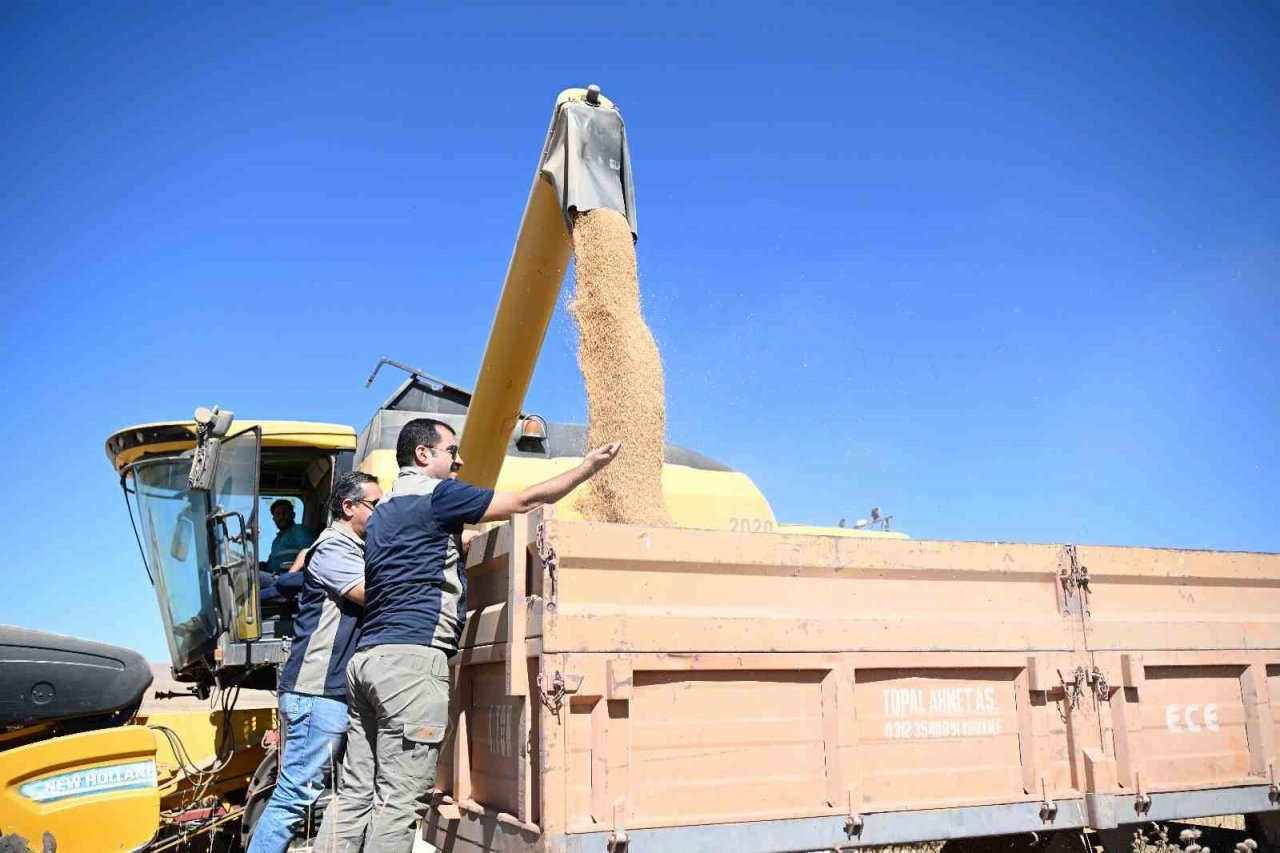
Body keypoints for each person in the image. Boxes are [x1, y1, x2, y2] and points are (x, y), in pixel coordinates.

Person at [314, 418, 620, 852]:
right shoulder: (439, 495)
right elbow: (525, 500)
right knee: (400, 801)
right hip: (412, 662)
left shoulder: (381, 515)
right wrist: (588, 468)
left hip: (366, 661)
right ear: (424, 455)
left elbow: (419, 553)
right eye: (450, 451)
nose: (459, 460)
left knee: (354, 793)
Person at [247, 472, 383, 853]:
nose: (381, 511)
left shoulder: (354, 547)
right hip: (317, 690)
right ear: (349, 507)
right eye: (376, 504)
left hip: (330, 693)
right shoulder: (334, 547)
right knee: (294, 796)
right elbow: (369, 595)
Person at [265, 499, 317, 575]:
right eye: (278, 514)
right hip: (273, 576)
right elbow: (270, 564)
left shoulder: (299, 530)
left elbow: (309, 553)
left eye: (285, 512)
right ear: (274, 519)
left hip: (290, 576)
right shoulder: (276, 541)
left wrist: (290, 574)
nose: (281, 516)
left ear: (293, 515)